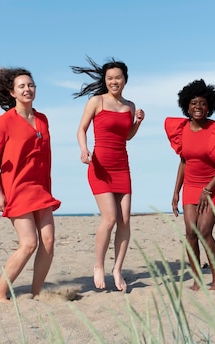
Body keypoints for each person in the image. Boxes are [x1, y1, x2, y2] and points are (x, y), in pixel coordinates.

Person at [0, 67, 61, 302]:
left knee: (48, 241)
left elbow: (44, 157)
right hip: (16, 187)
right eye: (22, 86)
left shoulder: (43, 119)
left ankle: (36, 293)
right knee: (28, 243)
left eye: (31, 85)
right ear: (12, 92)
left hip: (40, 187)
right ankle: (1, 293)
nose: (27, 89)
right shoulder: (3, 122)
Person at [72, 57, 145, 291]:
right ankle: (98, 265)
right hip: (100, 166)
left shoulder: (130, 106)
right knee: (110, 218)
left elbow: (127, 136)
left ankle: (117, 269)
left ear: (125, 80)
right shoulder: (97, 101)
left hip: (122, 166)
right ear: (106, 81)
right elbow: (81, 129)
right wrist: (84, 150)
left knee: (125, 220)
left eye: (118, 78)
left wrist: (138, 123)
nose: (114, 81)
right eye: (110, 78)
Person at [164, 79, 215, 291]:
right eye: (194, 103)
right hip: (190, 188)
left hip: (213, 187)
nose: (198, 107)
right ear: (186, 106)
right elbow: (184, 161)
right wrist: (176, 192)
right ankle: (196, 279)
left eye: (203, 103)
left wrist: (208, 189)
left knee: (204, 231)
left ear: (209, 106)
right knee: (190, 232)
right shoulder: (181, 129)